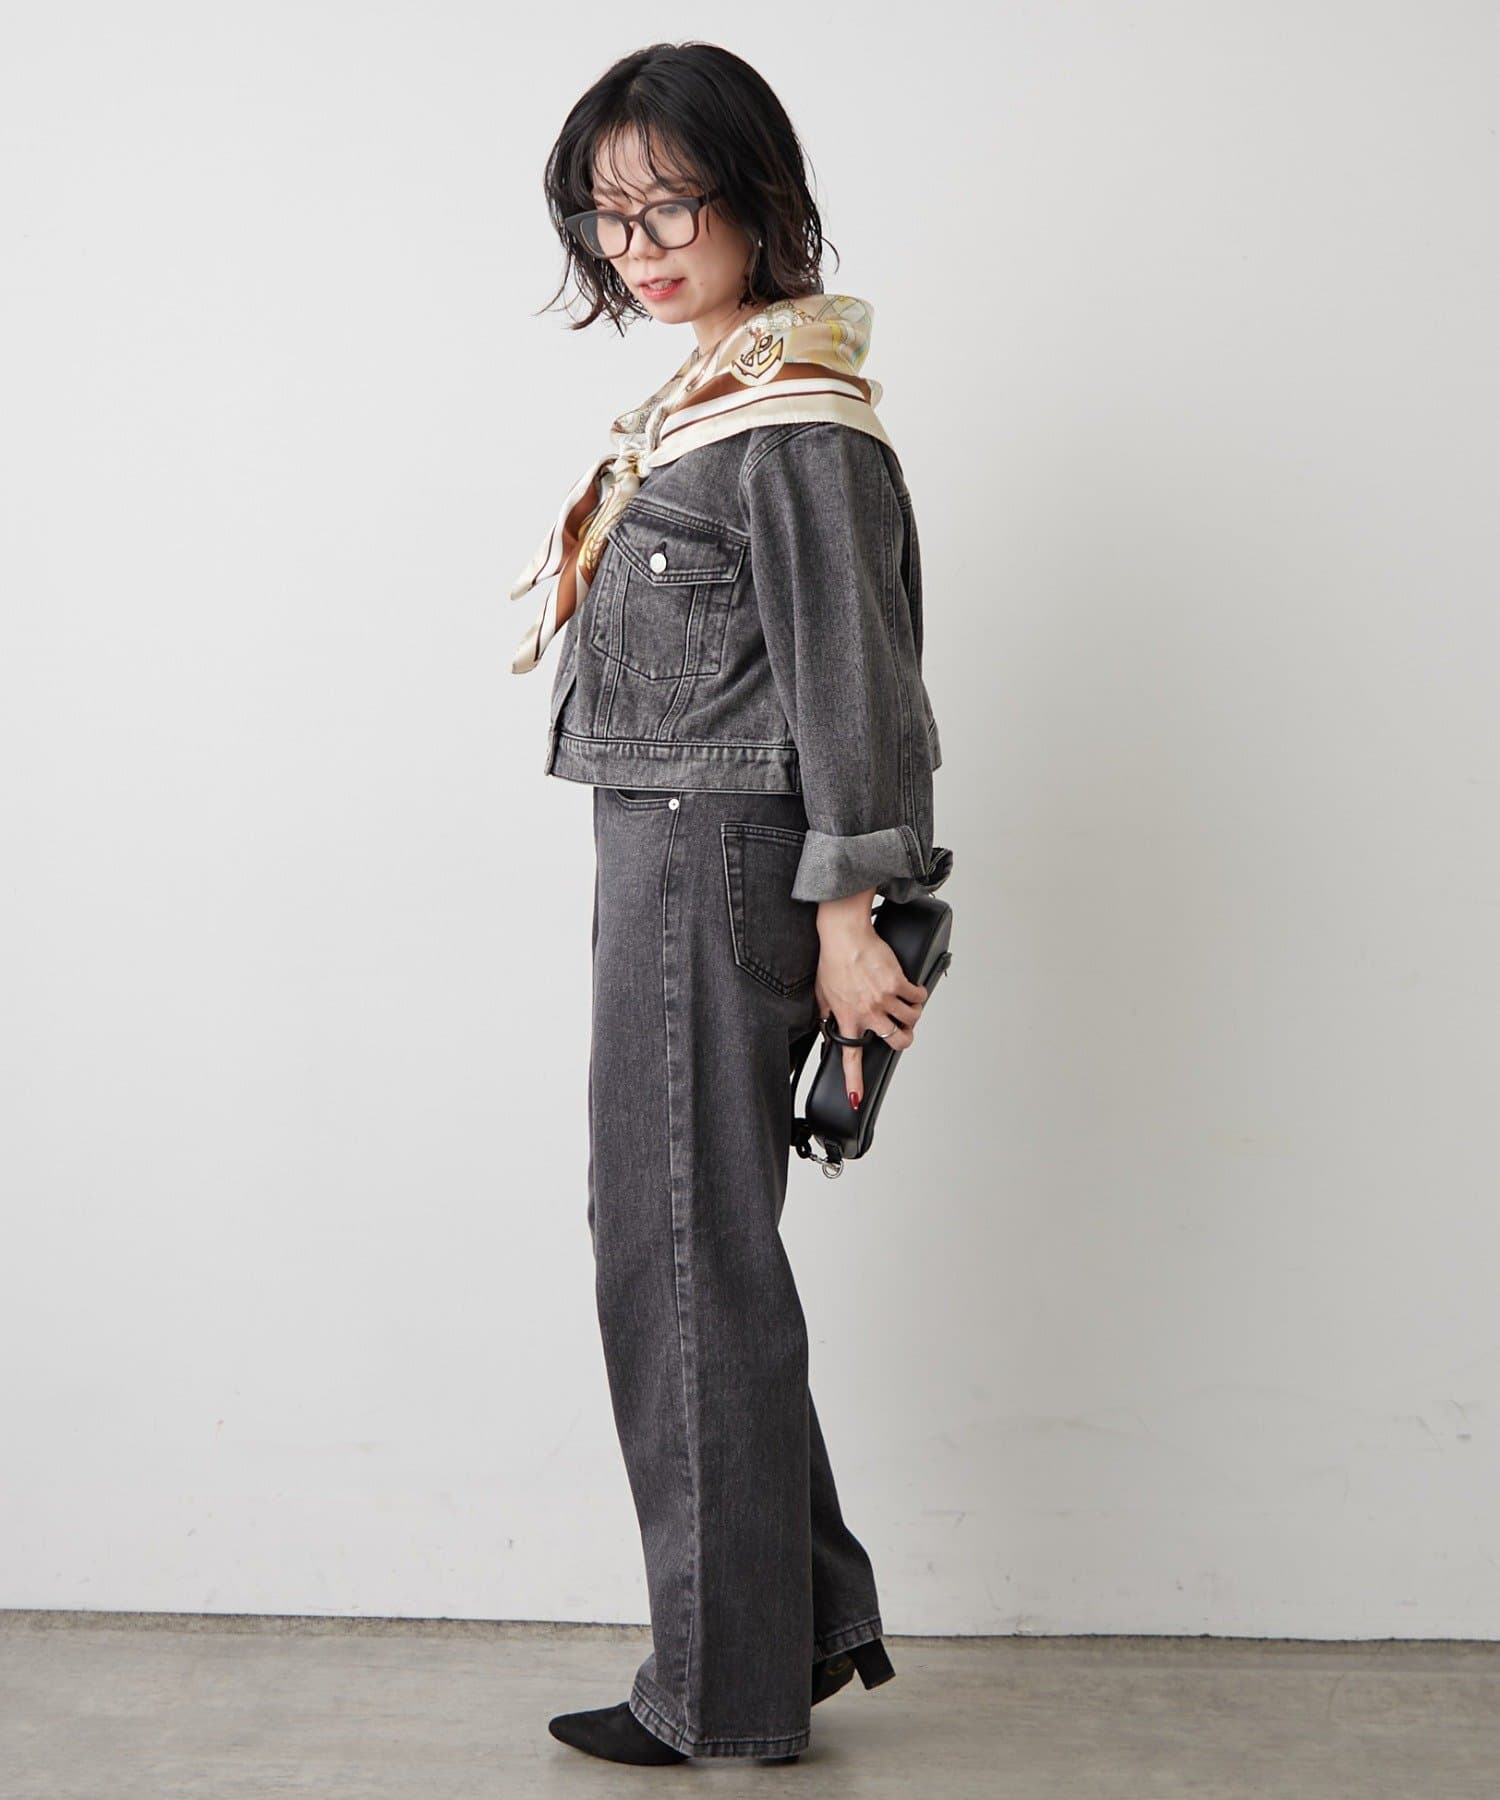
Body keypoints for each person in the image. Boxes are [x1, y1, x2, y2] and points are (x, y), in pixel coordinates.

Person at [508, 41, 954, 1767]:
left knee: (679, 1258)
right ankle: (796, 1627)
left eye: (669, 206)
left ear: (756, 197)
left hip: (718, 865)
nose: (637, 247)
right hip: (665, 852)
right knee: (694, 1249)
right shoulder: (713, 399)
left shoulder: (797, 429)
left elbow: (861, 695)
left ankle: (722, 1691)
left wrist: (851, 919)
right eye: (606, 218)